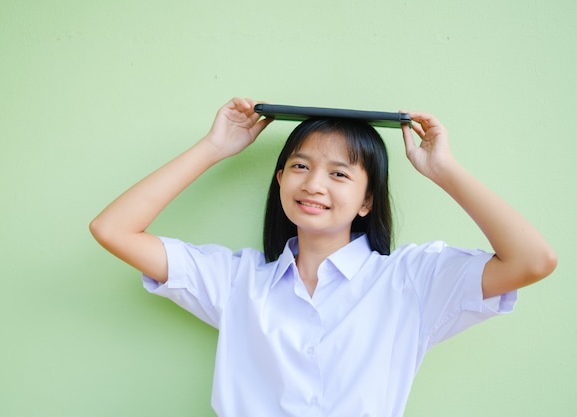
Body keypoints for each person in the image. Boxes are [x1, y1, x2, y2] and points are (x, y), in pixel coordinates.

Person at [89, 97, 557, 417]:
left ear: (367, 201)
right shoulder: (238, 282)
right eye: (299, 166)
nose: (313, 185)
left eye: (339, 173)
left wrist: (444, 169)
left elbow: (533, 260)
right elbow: (112, 230)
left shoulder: (411, 281)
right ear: (279, 181)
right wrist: (214, 148)